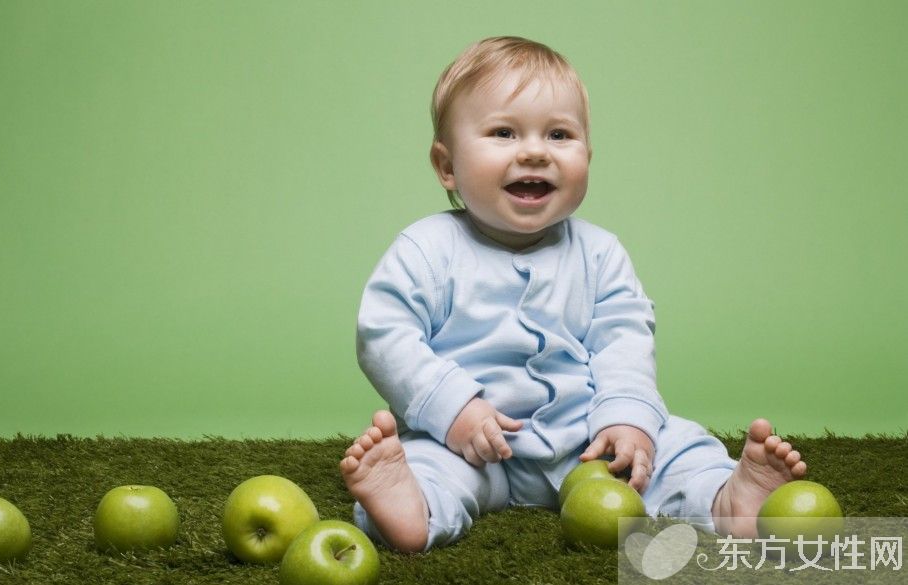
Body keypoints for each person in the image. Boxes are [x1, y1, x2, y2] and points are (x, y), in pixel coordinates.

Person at [340, 36, 806, 553]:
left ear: (588, 154)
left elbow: (624, 338)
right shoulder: (427, 250)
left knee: (675, 445)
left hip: (589, 443)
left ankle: (727, 497)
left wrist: (626, 418)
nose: (535, 151)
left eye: (559, 134)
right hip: (471, 448)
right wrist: (454, 411)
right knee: (430, 468)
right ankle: (410, 508)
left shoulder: (599, 253)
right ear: (446, 166)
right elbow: (384, 336)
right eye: (503, 132)